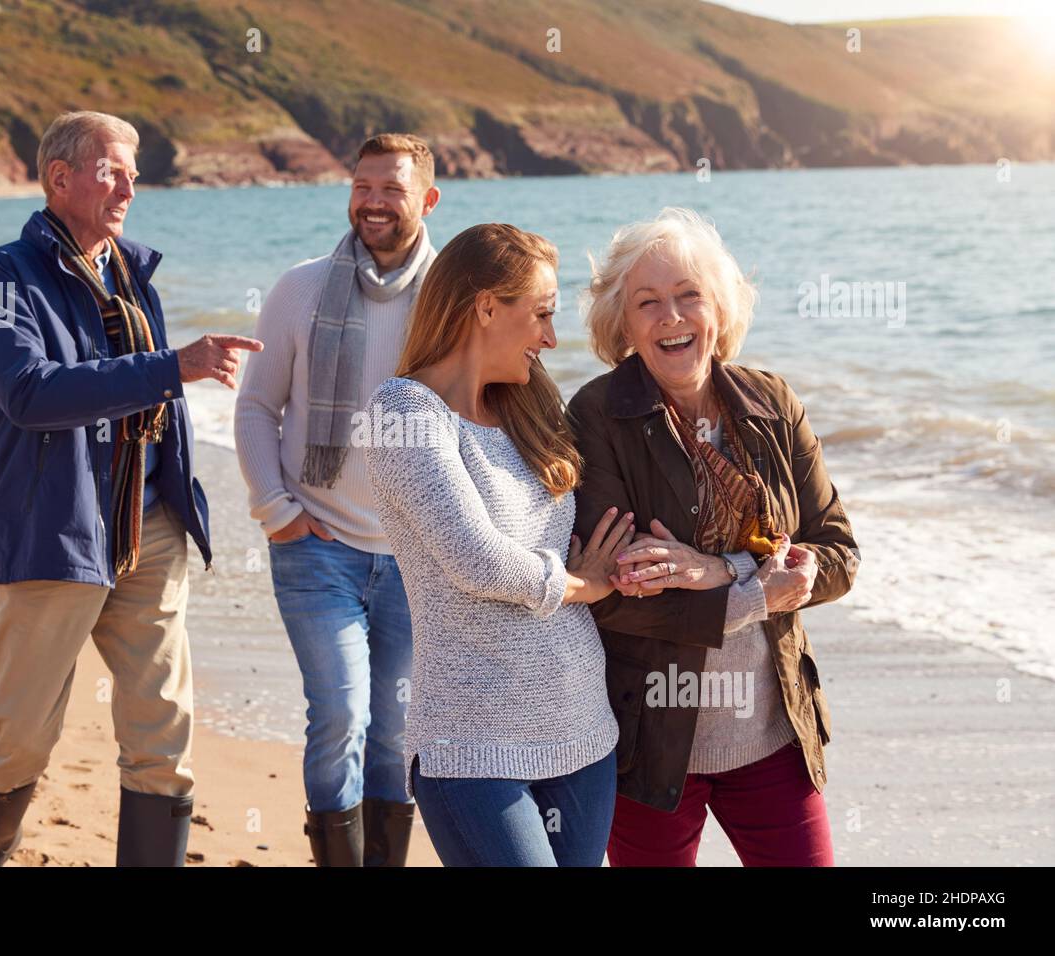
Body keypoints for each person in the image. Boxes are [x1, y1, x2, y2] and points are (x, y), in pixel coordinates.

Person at [0, 110, 261, 867]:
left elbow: (150, 403)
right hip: (55, 527)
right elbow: (28, 393)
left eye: (133, 171)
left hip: (150, 527)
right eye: (112, 170)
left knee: (164, 728)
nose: (131, 184)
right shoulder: (1, 275)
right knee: (19, 734)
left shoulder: (131, 268)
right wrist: (173, 367)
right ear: (60, 178)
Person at [568, 206, 860, 866]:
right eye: (648, 302)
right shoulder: (596, 416)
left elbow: (840, 551)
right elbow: (613, 594)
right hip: (650, 745)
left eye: (688, 295)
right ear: (624, 324)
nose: (671, 317)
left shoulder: (772, 404)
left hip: (772, 735)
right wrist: (759, 590)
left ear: (719, 309)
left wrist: (720, 569)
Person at [364, 223, 630, 867]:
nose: (550, 337)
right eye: (540, 314)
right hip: (472, 743)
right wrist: (583, 585)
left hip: (582, 730)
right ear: (485, 306)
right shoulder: (403, 413)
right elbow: (476, 560)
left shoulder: (529, 407)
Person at [234, 133, 440, 866]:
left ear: (428, 200)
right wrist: (277, 511)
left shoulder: (453, 297)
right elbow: (257, 406)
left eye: (391, 188)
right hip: (318, 551)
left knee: (396, 729)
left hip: (418, 560)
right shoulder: (300, 289)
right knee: (342, 714)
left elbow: (490, 414)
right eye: (363, 186)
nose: (374, 202)